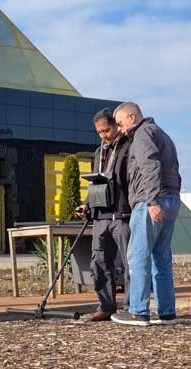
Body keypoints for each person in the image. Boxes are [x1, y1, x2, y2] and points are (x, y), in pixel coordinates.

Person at [111, 102, 181, 326]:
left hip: (151, 201)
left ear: (132, 117)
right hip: (170, 199)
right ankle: (167, 313)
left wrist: (151, 200)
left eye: (121, 124)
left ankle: (139, 312)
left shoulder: (142, 134)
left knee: (138, 255)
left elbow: (149, 166)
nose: (120, 130)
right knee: (161, 257)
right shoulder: (162, 134)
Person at [77, 108, 131, 321]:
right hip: (101, 217)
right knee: (99, 262)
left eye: (106, 130)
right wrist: (86, 204)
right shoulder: (99, 152)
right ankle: (106, 306)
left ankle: (131, 306)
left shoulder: (128, 147)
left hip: (122, 215)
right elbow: (96, 183)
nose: (103, 136)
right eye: (99, 132)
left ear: (116, 126)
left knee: (129, 263)